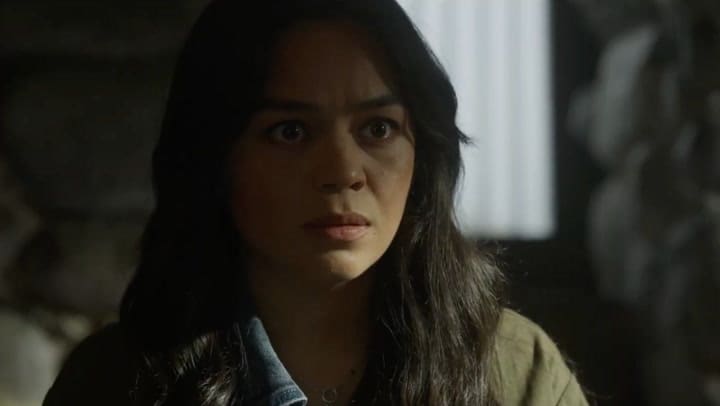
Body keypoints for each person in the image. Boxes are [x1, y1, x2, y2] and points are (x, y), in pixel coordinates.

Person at [43, 0, 590, 405]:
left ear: (423, 155)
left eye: (378, 128)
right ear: (214, 158)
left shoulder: (514, 371)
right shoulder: (112, 382)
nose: (343, 173)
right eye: (290, 131)